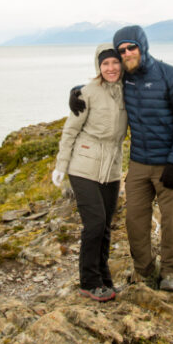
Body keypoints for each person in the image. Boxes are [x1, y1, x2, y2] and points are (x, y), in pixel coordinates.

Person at [72, 25, 173, 292]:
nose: (127, 53)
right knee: (134, 222)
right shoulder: (125, 80)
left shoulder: (170, 75)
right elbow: (103, 85)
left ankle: (172, 272)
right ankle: (146, 271)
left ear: (142, 46)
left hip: (170, 164)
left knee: (170, 220)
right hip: (139, 164)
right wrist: (78, 91)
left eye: (131, 47)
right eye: (122, 50)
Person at [53, 43, 128, 302]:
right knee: (94, 223)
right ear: (98, 66)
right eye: (105, 64)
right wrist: (61, 166)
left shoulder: (128, 90)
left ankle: (104, 279)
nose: (110, 68)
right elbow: (70, 130)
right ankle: (88, 282)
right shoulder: (86, 93)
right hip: (83, 166)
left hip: (112, 167)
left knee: (106, 226)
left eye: (115, 63)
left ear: (121, 64)